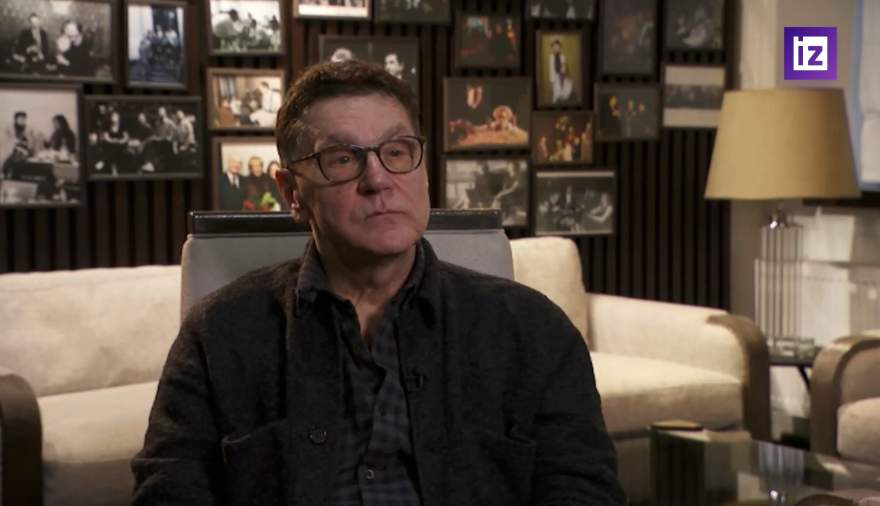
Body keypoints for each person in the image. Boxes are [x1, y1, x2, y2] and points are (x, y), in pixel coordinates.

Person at [132, 59, 625, 506]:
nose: (379, 179)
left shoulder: (534, 330)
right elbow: (168, 492)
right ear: (292, 193)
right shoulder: (217, 334)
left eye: (397, 151)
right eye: (343, 158)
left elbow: (584, 490)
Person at [1, 112, 42, 179]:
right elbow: (6, 140)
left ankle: (9, 173)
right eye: (20, 119)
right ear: (15, 119)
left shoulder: (29, 128)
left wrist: (30, 143)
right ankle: (5, 173)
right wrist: (15, 142)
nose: (22, 121)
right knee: (9, 157)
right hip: (11, 149)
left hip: (25, 150)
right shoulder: (8, 128)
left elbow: (36, 137)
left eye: (24, 119)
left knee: (17, 157)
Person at [547, 39, 574, 104]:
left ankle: (562, 101)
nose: (556, 48)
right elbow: (551, 69)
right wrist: (551, 81)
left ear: (560, 48)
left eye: (557, 47)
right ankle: (555, 103)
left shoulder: (562, 56)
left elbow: (564, 67)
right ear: (552, 48)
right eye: (554, 47)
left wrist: (563, 71)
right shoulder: (551, 57)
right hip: (555, 77)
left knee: (567, 88)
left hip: (562, 76)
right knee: (556, 94)